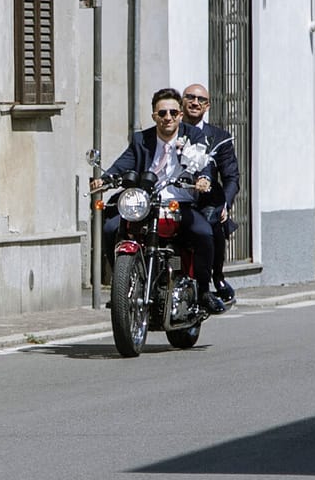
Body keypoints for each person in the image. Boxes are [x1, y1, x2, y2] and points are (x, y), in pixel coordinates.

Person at [90, 87, 227, 313]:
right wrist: (104, 180)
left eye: (173, 113)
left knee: (204, 233)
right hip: (146, 202)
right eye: (162, 113)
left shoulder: (193, 136)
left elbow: (206, 164)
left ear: (180, 114)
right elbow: (124, 163)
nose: (168, 118)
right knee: (110, 227)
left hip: (180, 203)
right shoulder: (141, 139)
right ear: (154, 116)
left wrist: (203, 179)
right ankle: (122, 286)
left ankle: (204, 291)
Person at [181, 82, 239, 304]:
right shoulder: (170, 129)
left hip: (206, 200)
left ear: (207, 106)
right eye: (190, 98)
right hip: (173, 198)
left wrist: (225, 204)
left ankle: (216, 277)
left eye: (201, 100)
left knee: (211, 222)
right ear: (182, 101)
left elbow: (231, 177)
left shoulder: (219, 137)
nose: (195, 103)